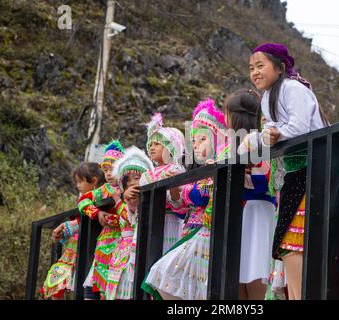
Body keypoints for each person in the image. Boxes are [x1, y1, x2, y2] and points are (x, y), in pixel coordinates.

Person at [247, 43, 328, 299]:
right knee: (288, 245)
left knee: (294, 243)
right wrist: (264, 138)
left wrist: (274, 134)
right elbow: (268, 137)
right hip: (295, 173)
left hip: (315, 168)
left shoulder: (293, 88)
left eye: (260, 66)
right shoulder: (268, 98)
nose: (255, 72)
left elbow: (301, 127)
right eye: (251, 68)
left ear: (280, 67)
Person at [141, 98, 228, 300]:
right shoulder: (198, 170)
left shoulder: (218, 165)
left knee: (166, 274)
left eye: (203, 140)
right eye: (194, 141)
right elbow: (182, 208)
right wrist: (175, 191)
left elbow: (204, 195)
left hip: (206, 232)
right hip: (190, 228)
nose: (196, 146)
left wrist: (180, 188)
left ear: (217, 138)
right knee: (173, 280)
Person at [224, 88, 276, 300]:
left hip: (258, 212)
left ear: (235, 117)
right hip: (242, 213)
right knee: (237, 279)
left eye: (226, 114)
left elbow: (265, 181)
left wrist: (240, 178)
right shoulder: (229, 147)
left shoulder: (259, 141)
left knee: (255, 274)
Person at [41, 162, 105, 299]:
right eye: (77, 182)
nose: (78, 185)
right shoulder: (84, 199)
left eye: (81, 181)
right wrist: (64, 231)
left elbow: (84, 220)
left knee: (85, 286)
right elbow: (79, 222)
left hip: (90, 247)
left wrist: (67, 227)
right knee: (56, 281)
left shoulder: (100, 196)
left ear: (94, 180)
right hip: (75, 247)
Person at [105, 146, 154, 300]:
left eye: (137, 177)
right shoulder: (129, 200)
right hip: (123, 250)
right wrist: (125, 200)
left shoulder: (147, 197)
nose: (133, 182)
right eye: (128, 179)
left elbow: (129, 217)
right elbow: (127, 217)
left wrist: (120, 201)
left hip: (139, 245)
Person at [79, 140, 125, 300]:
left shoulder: (128, 188)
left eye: (113, 169)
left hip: (122, 240)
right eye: (105, 170)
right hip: (105, 240)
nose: (109, 173)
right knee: (96, 282)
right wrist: (96, 213)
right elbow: (83, 200)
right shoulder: (103, 190)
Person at [141, 113, 188, 253]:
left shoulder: (176, 169)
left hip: (170, 221)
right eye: (150, 144)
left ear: (170, 147)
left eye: (157, 144)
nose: (152, 148)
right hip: (149, 220)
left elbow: (178, 203)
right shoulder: (146, 174)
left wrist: (173, 185)